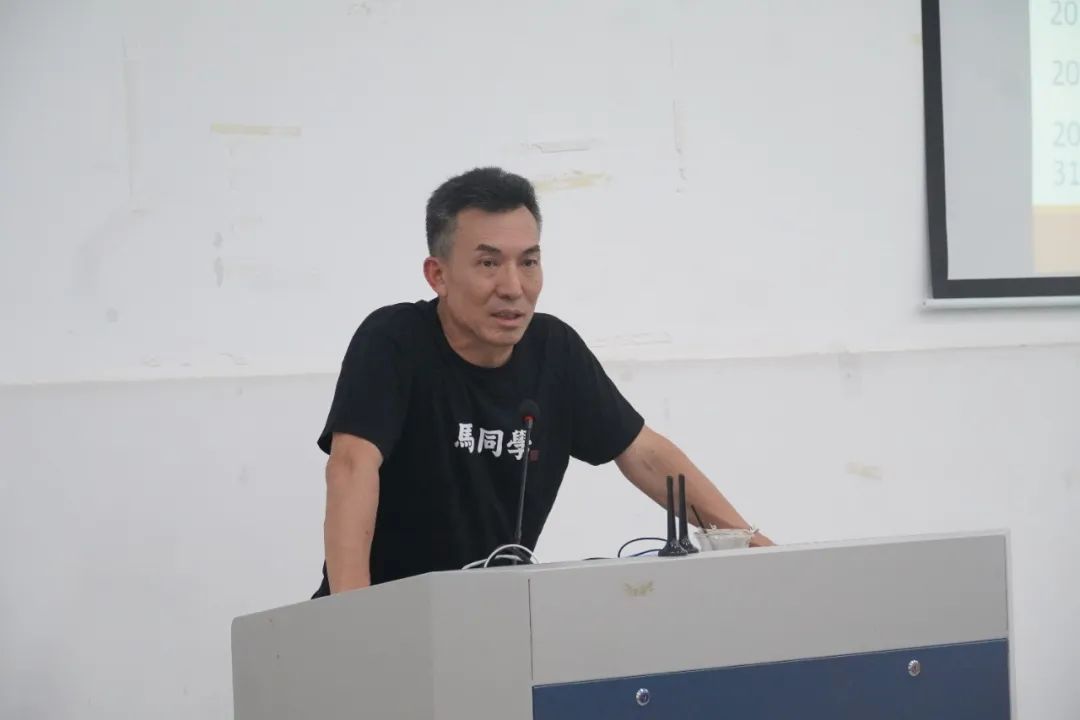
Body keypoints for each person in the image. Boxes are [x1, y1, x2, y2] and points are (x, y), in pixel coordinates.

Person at [312, 166, 771, 597]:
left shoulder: (555, 350)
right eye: (488, 264)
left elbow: (644, 454)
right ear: (438, 275)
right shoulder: (393, 341)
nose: (513, 287)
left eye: (529, 262)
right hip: (392, 613)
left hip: (497, 615)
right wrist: (355, 617)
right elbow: (352, 466)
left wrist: (752, 546)